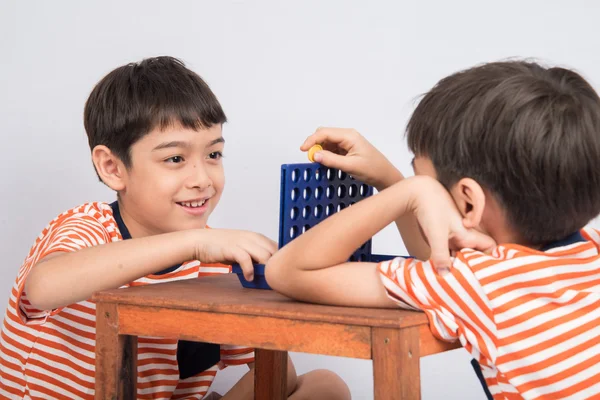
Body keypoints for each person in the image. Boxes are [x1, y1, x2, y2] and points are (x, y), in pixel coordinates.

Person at [0, 56, 350, 400]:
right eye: (175, 159)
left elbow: (274, 372)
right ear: (113, 168)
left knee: (325, 385)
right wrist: (192, 242)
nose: (202, 179)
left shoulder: (214, 260)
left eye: (213, 155)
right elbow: (44, 287)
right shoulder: (91, 227)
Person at [266, 60, 600, 399]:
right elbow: (441, 256)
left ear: (469, 203)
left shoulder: (478, 283)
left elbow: (287, 270)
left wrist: (407, 192)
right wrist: (391, 180)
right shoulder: (591, 249)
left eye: (429, 188)